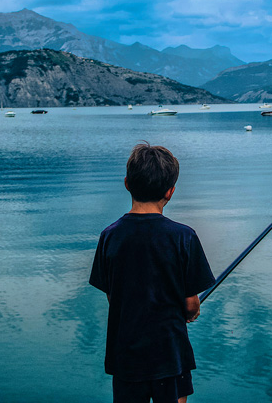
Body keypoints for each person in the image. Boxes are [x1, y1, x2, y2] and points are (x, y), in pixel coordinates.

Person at [89, 143, 216, 403]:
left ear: (127, 183)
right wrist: (191, 312)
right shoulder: (184, 237)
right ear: (170, 192)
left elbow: (114, 298)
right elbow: (190, 305)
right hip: (170, 355)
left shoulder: (110, 236)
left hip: (126, 356)